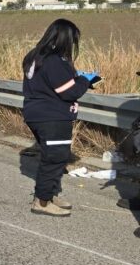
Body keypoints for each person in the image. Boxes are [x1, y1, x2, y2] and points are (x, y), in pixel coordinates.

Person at [21, 18, 100, 217]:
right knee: (55, 159)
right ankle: (42, 202)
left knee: (52, 156)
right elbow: (69, 93)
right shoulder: (54, 60)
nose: (73, 45)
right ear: (66, 39)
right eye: (73, 40)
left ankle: (50, 194)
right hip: (53, 116)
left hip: (36, 113)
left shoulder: (35, 55)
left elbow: (50, 85)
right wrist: (84, 79)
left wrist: (77, 79)